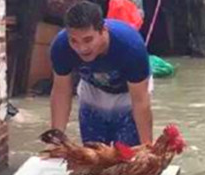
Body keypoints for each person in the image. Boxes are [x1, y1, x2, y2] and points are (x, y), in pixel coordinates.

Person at [50, 0, 152, 146]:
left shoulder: (131, 47)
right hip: (93, 90)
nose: (81, 48)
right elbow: (61, 92)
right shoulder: (61, 47)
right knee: (93, 153)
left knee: (127, 156)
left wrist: (147, 147)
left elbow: (140, 100)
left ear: (103, 30)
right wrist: (56, 140)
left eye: (88, 40)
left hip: (128, 94)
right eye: (74, 41)